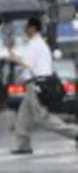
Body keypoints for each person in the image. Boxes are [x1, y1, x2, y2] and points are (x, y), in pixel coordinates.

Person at [8, 17, 78, 154]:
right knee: (22, 117)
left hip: (37, 84)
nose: (24, 31)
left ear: (33, 28)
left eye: (26, 28)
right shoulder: (38, 44)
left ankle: (75, 133)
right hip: (33, 84)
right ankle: (23, 145)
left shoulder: (35, 45)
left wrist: (14, 58)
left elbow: (28, 64)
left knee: (43, 118)